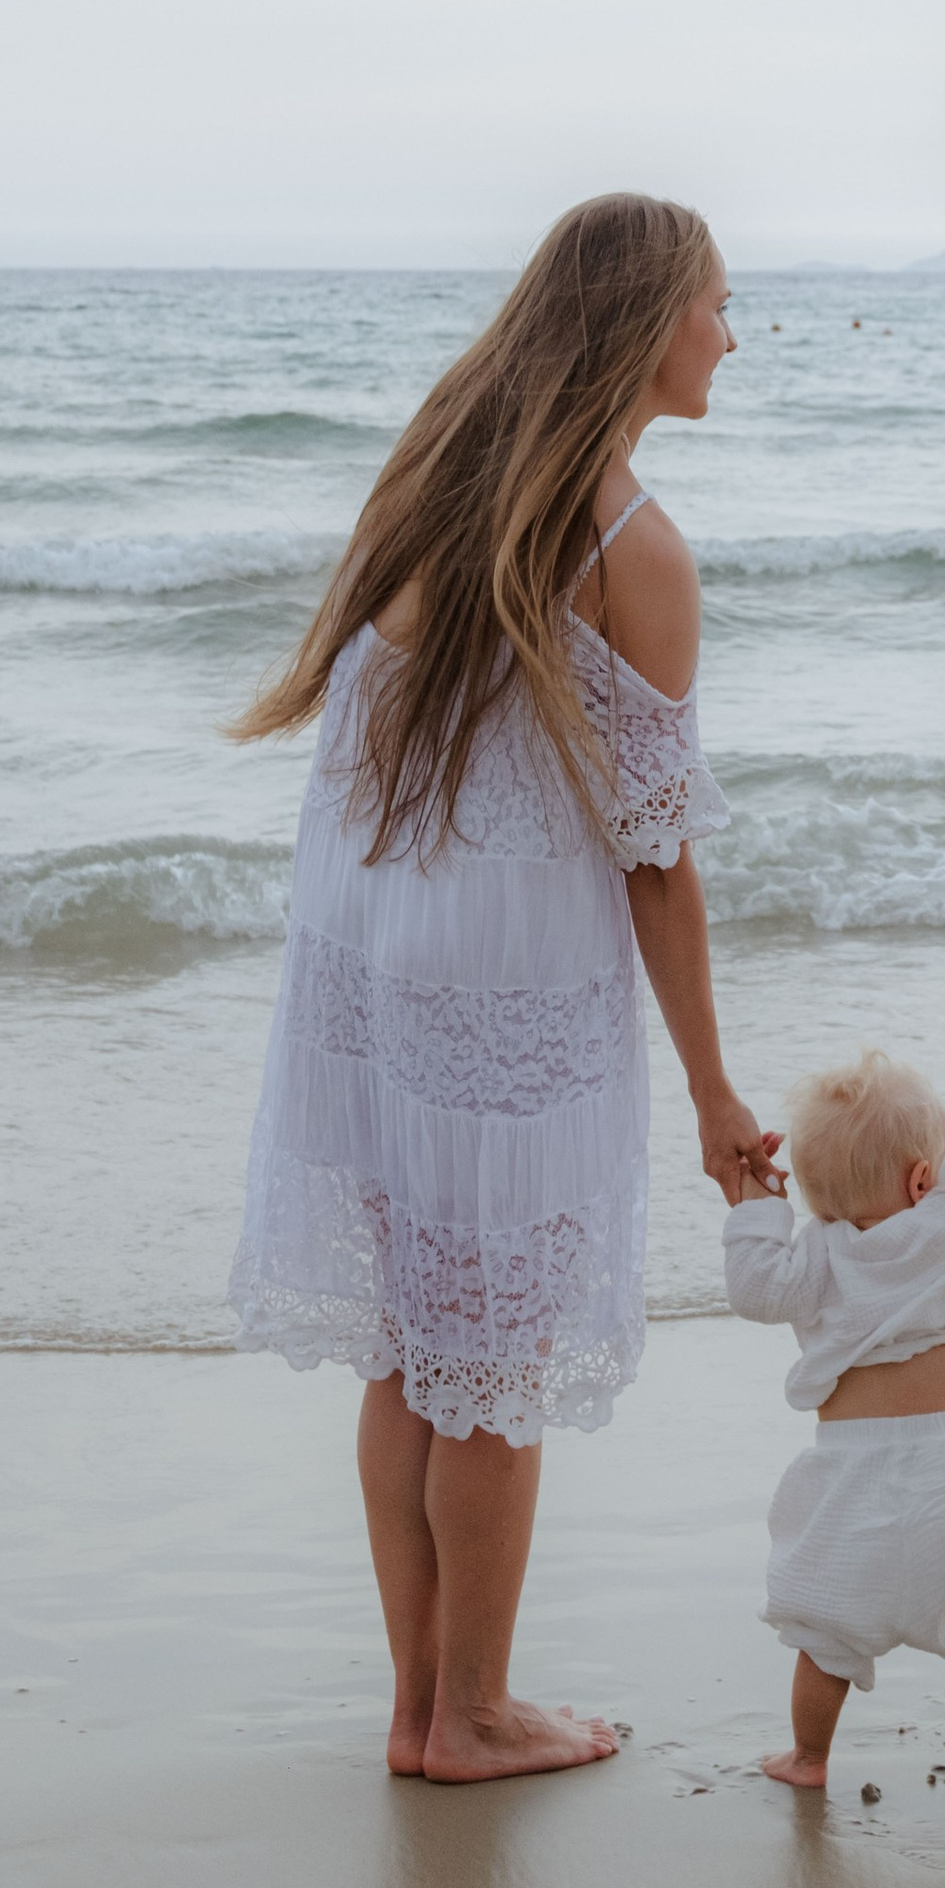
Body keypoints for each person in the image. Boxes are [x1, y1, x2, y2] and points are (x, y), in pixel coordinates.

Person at [227, 196, 782, 1784]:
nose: (730, 339)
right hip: (505, 994)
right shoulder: (629, 545)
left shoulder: (436, 478)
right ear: (646, 323)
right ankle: (473, 1712)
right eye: (720, 308)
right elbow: (658, 862)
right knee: (497, 1370)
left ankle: (422, 1708)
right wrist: (716, 1094)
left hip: (374, 970)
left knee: (420, 1348)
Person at [723, 1050, 945, 1790]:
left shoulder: (814, 1255)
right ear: (922, 1179)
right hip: (944, 1475)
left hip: (847, 1486)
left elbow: (753, 1290)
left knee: (825, 1639)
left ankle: (809, 1759)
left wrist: (754, 1203)